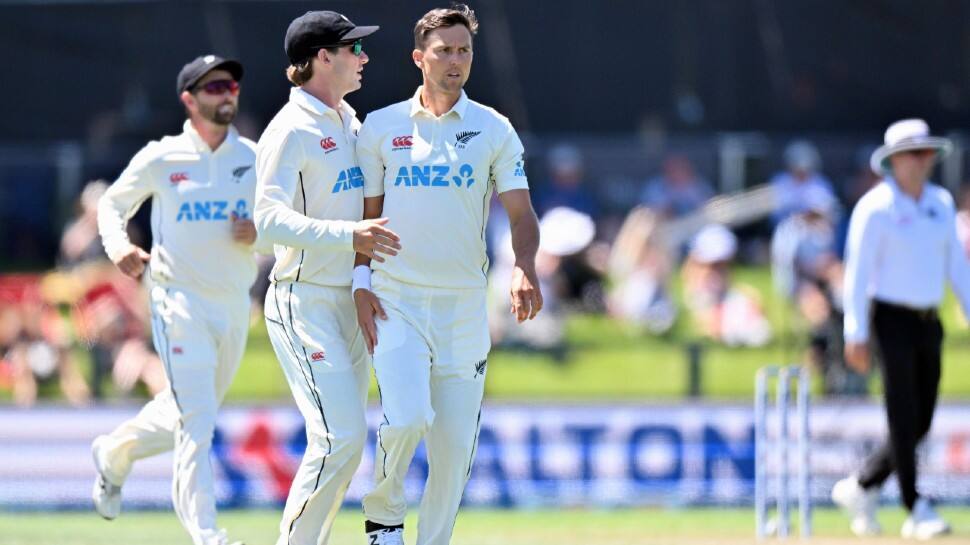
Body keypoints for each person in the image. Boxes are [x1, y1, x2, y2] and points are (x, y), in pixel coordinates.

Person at [353, 5, 542, 544]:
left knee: (455, 451)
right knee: (408, 416)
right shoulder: (382, 127)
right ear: (420, 58)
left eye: (464, 51)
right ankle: (384, 517)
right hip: (397, 302)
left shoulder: (493, 128)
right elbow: (366, 218)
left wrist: (524, 266)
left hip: (463, 308)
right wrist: (360, 283)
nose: (456, 61)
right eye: (444, 51)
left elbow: (521, 213)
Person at [91, 54, 260, 545]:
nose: (226, 94)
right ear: (189, 100)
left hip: (231, 305)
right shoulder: (161, 157)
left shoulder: (253, 158)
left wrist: (259, 232)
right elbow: (111, 205)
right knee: (198, 423)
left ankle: (115, 453)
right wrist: (119, 246)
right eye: (213, 88)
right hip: (176, 302)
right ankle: (208, 535)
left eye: (230, 85)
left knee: (186, 415)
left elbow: (279, 228)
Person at [253, 11, 399, 545]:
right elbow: (266, 222)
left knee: (347, 442)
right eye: (352, 49)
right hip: (303, 301)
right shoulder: (289, 130)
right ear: (322, 58)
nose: (363, 58)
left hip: (350, 300)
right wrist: (348, 235)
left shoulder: (350, 121)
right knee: (338, 438)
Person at [833, 118, 970, 539]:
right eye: (914, 154)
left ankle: (863, 485)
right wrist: (854, 332)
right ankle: (916, 505)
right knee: (901, 415)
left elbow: (957, 267)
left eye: (926, 153)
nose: (922, 161)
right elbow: (856, 274)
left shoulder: (941, 203)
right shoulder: (874, 208)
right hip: (888, 319)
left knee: (922, 422)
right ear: (894, 161)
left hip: (929, 320)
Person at [769, 140, 836, 224]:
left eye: (805, 169)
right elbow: (774, 214)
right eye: (797, 169)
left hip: (814, 230)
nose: (801, 173)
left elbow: (827, 213)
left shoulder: (821, 184)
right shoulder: (779, 181)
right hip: (784, 229)